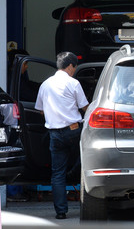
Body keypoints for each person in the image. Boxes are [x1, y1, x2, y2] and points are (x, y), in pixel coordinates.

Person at [35, 52, 89, 220]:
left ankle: (60, 212)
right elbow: (85, 108)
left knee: (57, 173)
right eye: (74, 68)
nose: (74, 71)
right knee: (88, 163)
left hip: (54, 134)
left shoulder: (45, 84)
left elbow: (41, 110)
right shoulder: (73, 83)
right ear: (70, 66)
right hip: (73, 131)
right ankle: (75, 175)